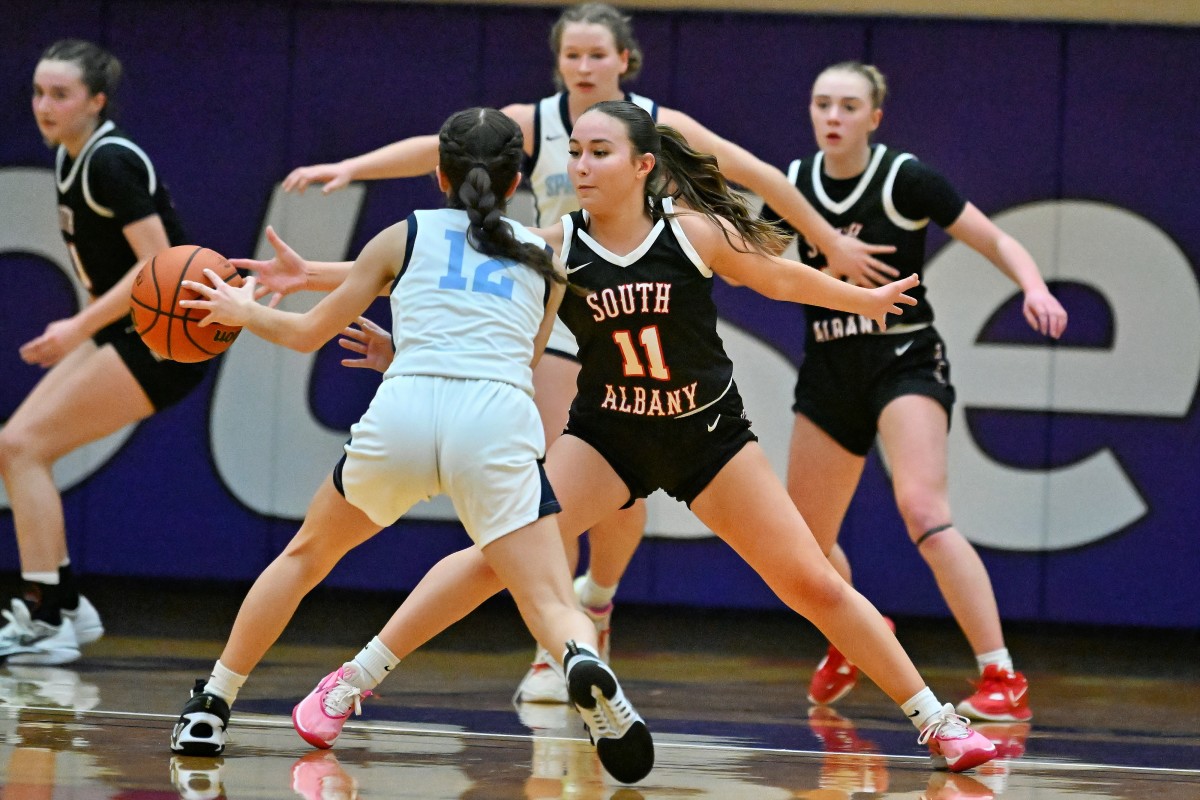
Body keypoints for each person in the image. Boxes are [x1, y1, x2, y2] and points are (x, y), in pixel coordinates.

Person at [282, 100, 999, 774]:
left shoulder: (691, 233)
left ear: (644, 165)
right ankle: (350, 682)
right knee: (488, 561)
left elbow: (778, 281)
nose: (581, 165)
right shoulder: (552, 247)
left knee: (813, 581)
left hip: (707, 436)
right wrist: (321, 282)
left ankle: (938, 721)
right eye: (575, 153)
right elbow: (433, 273)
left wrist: (863, 298)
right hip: (608, 437)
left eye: (599, 152)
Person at [276, 2, 896, 706]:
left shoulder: (665, 142)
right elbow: (441, 163)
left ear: (624, 63)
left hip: (648, 318)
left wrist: (831, 244)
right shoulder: (536, 135)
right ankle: (558, 644)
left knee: (636, 508)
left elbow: (759, 182)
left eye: (596, 55)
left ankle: (596, 598)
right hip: (561, 305)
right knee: (542, 500)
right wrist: (351, 172)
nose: (583, 67)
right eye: (572, 56)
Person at [167, 107, 655, 785]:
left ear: (437, 174)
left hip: (405, 412)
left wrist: (244, 312)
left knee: (305, 556)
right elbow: (516, 354)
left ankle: (212, 704)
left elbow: (307, 334)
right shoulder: (548, 259)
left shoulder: (404, 234)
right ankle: (577, 657)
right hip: (495, 422)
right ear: (518, 179)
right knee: (548, 599)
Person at [759, 62, 1068, 721]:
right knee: (802, 545)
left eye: (848, 105)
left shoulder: (904, 179)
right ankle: (855, 634)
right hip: (829, 367)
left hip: (903, 358)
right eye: (822, 104)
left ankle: (1000, 675)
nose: (833, 116)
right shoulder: (793, 187)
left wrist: (1034, 286)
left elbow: (995, 237)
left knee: (924, 509)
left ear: (875, 117)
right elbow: (754, 264)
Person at [0, 40, 201, 665]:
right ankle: (62, 605)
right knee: (15, 445)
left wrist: (76, 327)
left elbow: (157, 264)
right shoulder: (71, 157)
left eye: (60, 95)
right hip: (126, 331)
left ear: (96, 101)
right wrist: (86, 332)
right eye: (38, 92)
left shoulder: (110, 162)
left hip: (165, 338)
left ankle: (48, 614)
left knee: (24, 448)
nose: (44, 105)